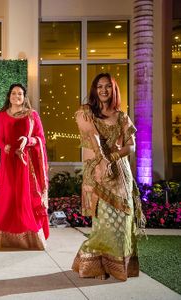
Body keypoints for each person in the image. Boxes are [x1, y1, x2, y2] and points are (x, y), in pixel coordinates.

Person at [72, 73, 145, 281]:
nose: (103, 90)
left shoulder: (122, 116)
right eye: (99, 86)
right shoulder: (85, 112)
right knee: (103, 222)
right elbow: (93, 136)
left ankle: (119, 267)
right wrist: (104, 161)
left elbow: (131, 146)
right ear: (95, 90)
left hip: (120, 173)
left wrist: (112, 157)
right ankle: (97, 265)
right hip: (97, 171)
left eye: (108, 87)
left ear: (114, 90)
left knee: (123, 220)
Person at [0, 83, 50, 249]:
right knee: (8, 197)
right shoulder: (1, 115)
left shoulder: (32, 115)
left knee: (26, 197)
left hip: (26, 163)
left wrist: (27, 140)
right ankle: (8, 239)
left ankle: (31, 238)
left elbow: (41, 139)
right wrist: (4, 146)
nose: (17, 96)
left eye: (20, 94)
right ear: (9, 96)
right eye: (14, 93)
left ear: (24, 97)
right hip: (9, 162)